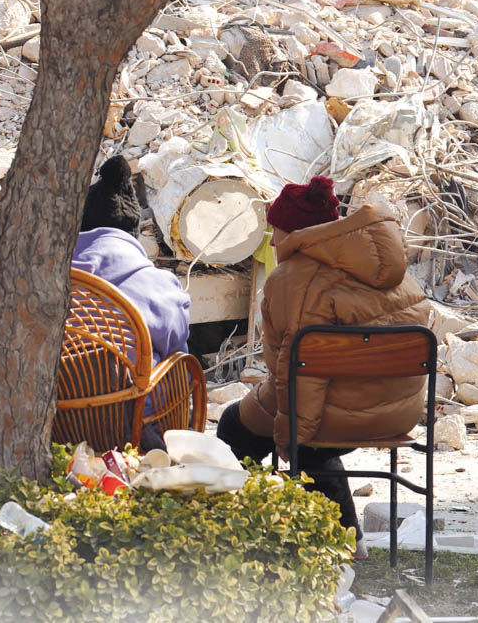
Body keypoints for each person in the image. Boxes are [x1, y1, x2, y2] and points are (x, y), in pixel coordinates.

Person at [215, 176, 429, 537]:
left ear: (293, 232)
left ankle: (241, 526)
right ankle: (348, 536)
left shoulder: (292, 279)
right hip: (398, 414)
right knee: (316, 426)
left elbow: (296, 374)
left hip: (332, 415)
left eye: (276, 229)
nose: (273, 239)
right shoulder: (398, 274)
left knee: (237, 425)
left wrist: (290, 436)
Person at [72, 156, 191, 361]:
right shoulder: (159, 286)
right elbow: (176, 344)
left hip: (59, 381)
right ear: (133, 232)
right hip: (132, 381)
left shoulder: (50, 281)